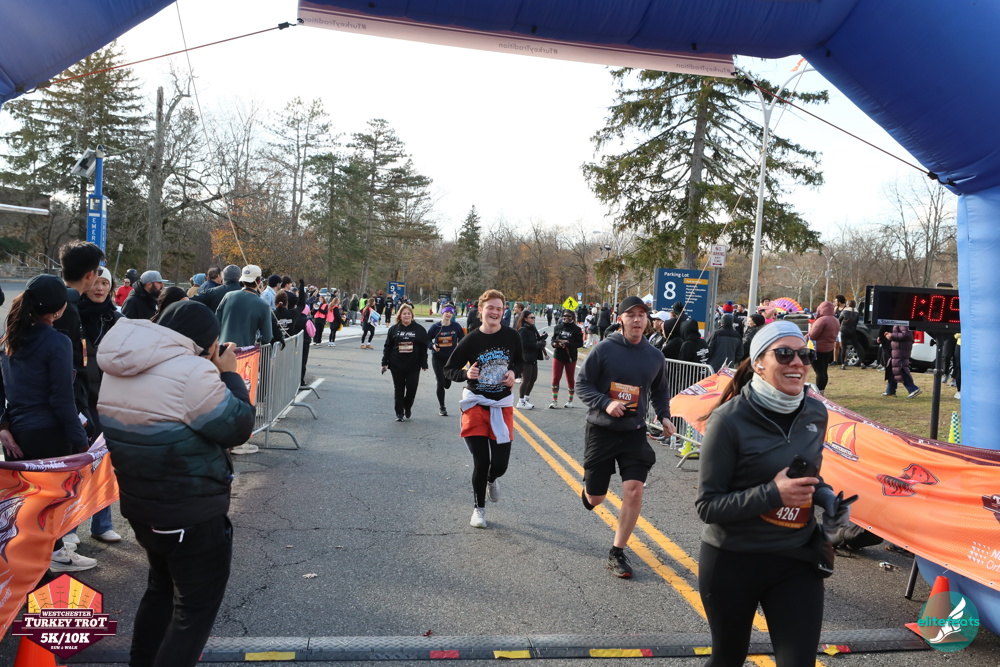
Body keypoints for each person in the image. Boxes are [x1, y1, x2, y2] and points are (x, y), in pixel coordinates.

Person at [97, 300, 254, 667]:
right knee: (192, 614)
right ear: (207, 343)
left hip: (142, 504)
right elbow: (238, 426)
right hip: (190, 509)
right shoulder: (192, 372)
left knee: (161, 590)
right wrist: (229, 374)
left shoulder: (120, 364)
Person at [695, 321, 853, 666]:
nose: (797, 362)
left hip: (796, 559)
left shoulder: (816, 412)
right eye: (783, 354)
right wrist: (772, 494)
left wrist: (827, 498)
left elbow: (809, 476)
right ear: (758, 364)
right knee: (728, 658)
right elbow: (708, 506)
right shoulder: (728, 420)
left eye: (804, 354)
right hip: (733, 560)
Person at [0, 275, 97, 573]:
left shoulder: (8, 339)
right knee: (53, 501)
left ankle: (31, 558)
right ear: (57, 311)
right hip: (50, 433)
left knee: (28, 501)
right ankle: (53, 556)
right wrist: (81, 442)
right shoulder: (57, 342)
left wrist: (3, 427)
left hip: (19, 433)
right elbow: (61, 400)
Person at [576, 296, 677, 577]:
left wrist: (665, 416)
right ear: (620, 319)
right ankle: (590, 492)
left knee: (634, 489)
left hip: (634, 432)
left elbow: (659, 390)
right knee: (596, 499)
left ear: (647, 320)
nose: (637, 319)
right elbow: (583, 384)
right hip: (602, 430)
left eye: (642, 315)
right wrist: (606, 402)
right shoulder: (604, 349)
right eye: (631, 315)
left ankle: (617, 551)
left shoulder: (655, 356)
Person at [444, 289, 524, 529]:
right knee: (481, 461)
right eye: (490, 308)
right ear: (480, 310)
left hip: (501, 405)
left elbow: (521, 362)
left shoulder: (512, 336)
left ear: (503, 311)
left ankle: (492, 479)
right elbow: (449, 369)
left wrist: (514, 372)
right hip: (476, 404)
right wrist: (466, 373)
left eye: (499, 308)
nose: (495, 312)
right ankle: (478, 509)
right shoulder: (471, 340)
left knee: (499, 465)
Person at [77, 266, 124, 543]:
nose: (100, 288)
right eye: (96, 282)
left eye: (105, 283)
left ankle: (102, 524)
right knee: (78, 466)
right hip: (80, 401)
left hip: (108, 401)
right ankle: (69, 531)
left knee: (105, 465)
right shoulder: (73, 314)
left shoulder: (116, 318)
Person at [382, 303, 429, 421]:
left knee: (412, 388)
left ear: (412, 315)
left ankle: (407, 407)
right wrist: (384, 362)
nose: (406, 316)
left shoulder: (419, 329)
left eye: (408, 313)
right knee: (399, 388)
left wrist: (424, 363)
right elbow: (387, 347)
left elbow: (424, 348)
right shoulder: (393, 329)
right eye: (404, 314)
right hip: (396, 364)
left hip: (413, 365)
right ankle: (399, 412)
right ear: (400, 316)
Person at [216, 264, 273, 348]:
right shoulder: (263, 305)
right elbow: (267, 338)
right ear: (259, 281)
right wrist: (258, 340)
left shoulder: (228, 296)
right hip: (245, 352)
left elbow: (216, 321)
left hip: (223, 349)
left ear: (242, 281)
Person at [427, 305, 465, 416]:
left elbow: (463, 339)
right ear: (442, 313)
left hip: (451, 359)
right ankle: (442, 407)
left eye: (451, 312)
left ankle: (444, 379)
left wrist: (460, 349)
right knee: (440, 382)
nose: (448, 314)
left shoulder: (456, 326)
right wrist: (432, 346)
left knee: (447, 384)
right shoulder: (435, 327)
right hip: (437, 358)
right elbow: (427, 340)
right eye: (446, 312)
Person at [515, 309, 548, 409]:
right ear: (525, 319)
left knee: (533, 378)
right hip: (525, 358)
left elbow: (536, 340)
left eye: (534, 317)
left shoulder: (532, 328)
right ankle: (520, 401)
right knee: (526, 379)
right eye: (531, 317)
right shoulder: (523, 330)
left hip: (533, 356)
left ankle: (526, 398)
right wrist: (537, 345)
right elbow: (523, 344)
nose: (533, 319)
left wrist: (542, 338)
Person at [807, 301, 839, 394]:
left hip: (818, 349)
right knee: (824, 371)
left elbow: (812, 335)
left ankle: (818, 392)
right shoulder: (835, 320)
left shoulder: (822, 320)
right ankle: (822, 391)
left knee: (819, 372)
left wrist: (802, 339)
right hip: (829, 348)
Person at [883, 325, 922, 398]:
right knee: (892, 367)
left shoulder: (903, 322)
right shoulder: (899, 322)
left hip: (901, 349)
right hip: (898, 349)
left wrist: (892, 336)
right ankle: (890, 390)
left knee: (900, 368)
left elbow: (906, 335)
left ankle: (913, 389)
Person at [837, 299, 861, 369]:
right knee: (856, 346)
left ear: (848, 304)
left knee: (843, 347)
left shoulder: (845, 311)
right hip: (852, 330)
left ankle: (843, 364)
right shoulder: (857, 312)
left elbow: (839, 320)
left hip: (844, 330)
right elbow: (856, 322)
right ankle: (862, 362)